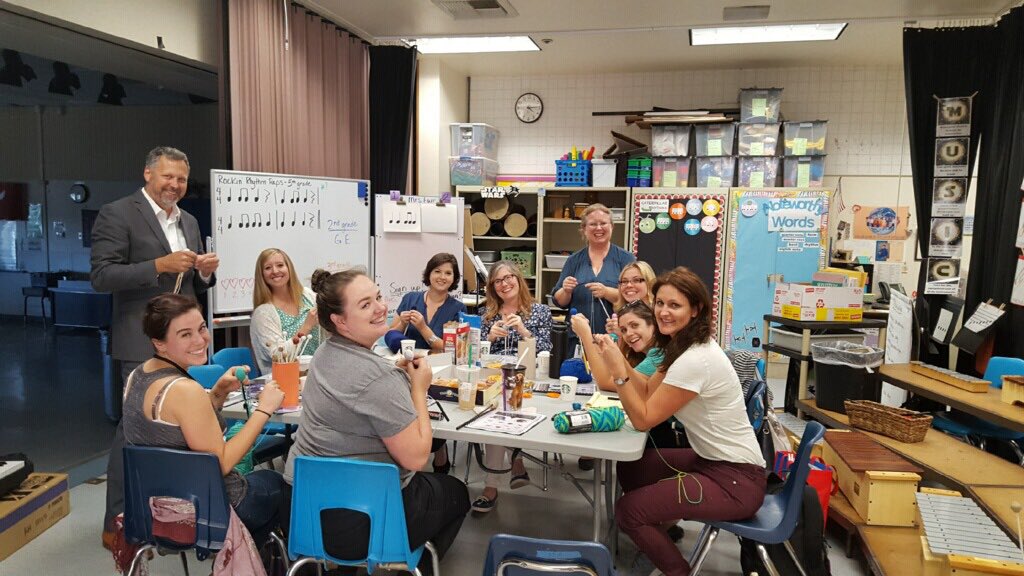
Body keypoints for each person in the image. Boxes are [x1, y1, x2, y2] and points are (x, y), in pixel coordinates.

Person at [284, 268, 469, 574]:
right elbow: (416, 457)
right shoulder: (380, 378)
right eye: (365, 304)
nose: (381, 307)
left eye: (378, 297)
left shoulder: (322, 355)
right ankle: (408, 564)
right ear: (340, 321)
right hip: (366, 521)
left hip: (305, 512)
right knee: (456, 492)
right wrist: (419, 389)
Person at [594, 267, 766, 576]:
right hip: (713, 461)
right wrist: (620, 362)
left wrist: (619, 372)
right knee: (633, 467)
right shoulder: (681, 346)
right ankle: (658, 532)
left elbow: (643, 419)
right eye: (660, 303)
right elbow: (647, 389)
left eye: (675, 305)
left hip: (736, 480)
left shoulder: (694, 360)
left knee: (628, 511)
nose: (663, 312)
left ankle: (675, 568)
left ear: (696, 309)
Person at [91, 146, 219, 550]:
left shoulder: (189, 221)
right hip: (139, 339)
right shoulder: (118, 213)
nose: (174, 185)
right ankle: (117, 521)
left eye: (181, 179)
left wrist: (205, 274)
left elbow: (193, 285)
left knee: (171, 428)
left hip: (181, 342)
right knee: (130, 432)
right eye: (167, 177)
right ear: (147, 174)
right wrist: (158, 266)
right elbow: (101, 276)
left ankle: (167, 516)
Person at [122, 294, 288, 545]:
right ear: (159, 343)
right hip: (210, 511)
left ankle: (245, 557)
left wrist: (218, 393)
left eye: (201, 328)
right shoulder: (185, 390)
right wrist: (264, 410)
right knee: (281, 483)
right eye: (185, 334)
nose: (200, 340)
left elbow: (179, 429)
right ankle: (253, 559)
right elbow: (221, 463)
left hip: (158, 509)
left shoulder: (137, 375)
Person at [473, 261, 552, 513]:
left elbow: (546, 350)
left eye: (509, 278)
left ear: (519, 280)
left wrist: (523, 330)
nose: (504, 284)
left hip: (528, 379)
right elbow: (474, 353)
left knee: (506, 408)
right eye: (498, 281)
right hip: (493, 378)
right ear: (492, 287)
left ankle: (507, 468)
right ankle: (499, 477)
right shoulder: (486, 314)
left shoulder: (539, 311)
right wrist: (489, 338)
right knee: (494, 414)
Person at [389, 253, 467, 474]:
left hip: (441, 369)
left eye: (448, 273)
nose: (442, 277)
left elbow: (453, 347)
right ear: (429, 274)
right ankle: (413, 455)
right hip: (408, 366)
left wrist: (423, 328)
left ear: (454, 279)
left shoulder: (458, 308)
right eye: (437, 271)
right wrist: (402, 323)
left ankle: (439, 450)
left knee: (436, 412)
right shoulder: (411, 299)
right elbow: (391, 334)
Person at [550, 203, 635, 347]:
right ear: (584, 229)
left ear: (612, 226)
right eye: (593, 224)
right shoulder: (573, 260)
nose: (598, 228)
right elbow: (559, 302)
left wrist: (607, 292)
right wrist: (566, 290)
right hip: (577, 341)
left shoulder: (626, 259)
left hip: (615, 339)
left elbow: (636, 298)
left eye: (603, 223)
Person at [250, 248, 324, 375]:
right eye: (268, 268)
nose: (275, 271)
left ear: (289, 268)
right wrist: (306, 327)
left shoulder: (308, 296)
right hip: (285, 380)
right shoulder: (262, 314)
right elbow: (278, 356)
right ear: (261, 275)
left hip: (319, 374)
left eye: (280, 265)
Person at [603, 261, 657, 337]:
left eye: (636, 280)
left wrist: (622, 333)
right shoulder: (621, 315)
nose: (629, 285)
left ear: (649, 282)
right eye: (624, 281)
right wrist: (615, 336)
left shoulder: (658, 314)